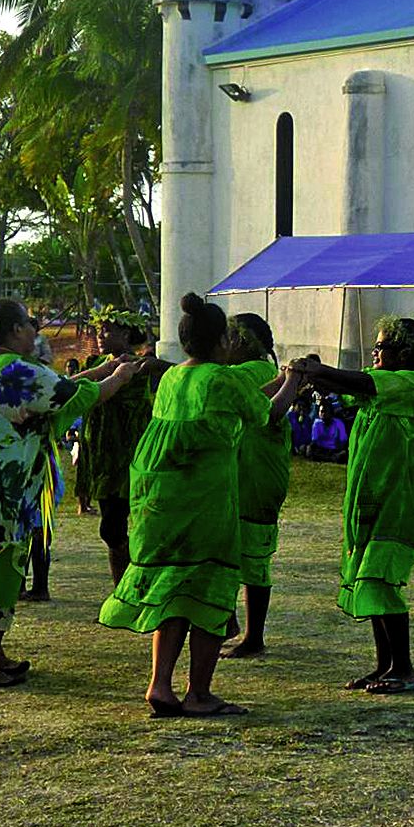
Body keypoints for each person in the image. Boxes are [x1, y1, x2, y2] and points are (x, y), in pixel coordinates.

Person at [0, 299, 144, 687]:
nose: (35, 331)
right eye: (29, 324)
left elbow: (58, 387)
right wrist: (121, 376)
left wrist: (106, 369)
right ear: (16, 329)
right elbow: (76, 396)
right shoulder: (17, 371)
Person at [100, 296, 292, 715]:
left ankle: (160, 685)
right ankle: (199, 693)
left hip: (159, 502)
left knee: (175, 591)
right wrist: (293, 382)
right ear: (223, 341)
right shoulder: (223, 379)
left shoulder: (171, 379)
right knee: (209, 591)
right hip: (204, 501)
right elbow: (267, 413)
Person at [289, 317, 414, 694]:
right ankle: (385, 665)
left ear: (404, 353)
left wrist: (320, 370)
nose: (374, 352)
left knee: (379, 578)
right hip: (373, 499)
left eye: (381, 346)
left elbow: (361, 383)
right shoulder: (382, 388)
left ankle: (404, 669)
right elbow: (347, 385)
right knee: (367, 577)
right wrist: (312, 373)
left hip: (401, 502)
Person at [224, 312, 294, 659]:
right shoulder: (263, 372)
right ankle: (233, 625)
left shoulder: (251, 373)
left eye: (228, 337)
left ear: (241, 341)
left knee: (251, 560)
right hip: (249, 474)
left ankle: (253, 636)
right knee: (238, 553)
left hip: (254, 476)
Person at [74, 310, 161, 583]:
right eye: (99, 330)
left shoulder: (139, 365)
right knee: (112, 528)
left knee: (117, 527)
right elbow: (73, 388)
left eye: (107, 330)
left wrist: (149, 364)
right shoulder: (97, 364)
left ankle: (132, 584)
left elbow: (173, 370)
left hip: (128, 457)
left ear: (125, 334)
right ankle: (122, 588)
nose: (100, 336)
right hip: (102, 458)